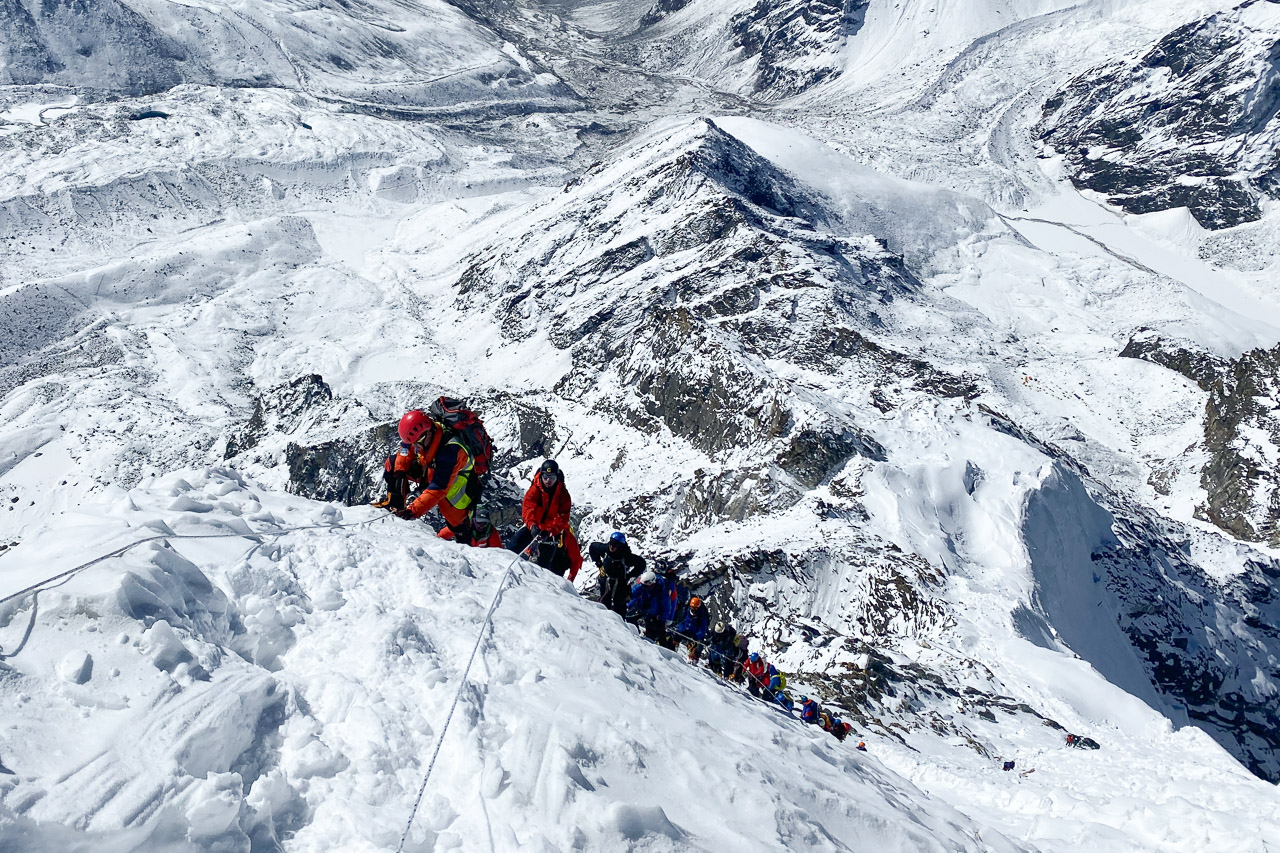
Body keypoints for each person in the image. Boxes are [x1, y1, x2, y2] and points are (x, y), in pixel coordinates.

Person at [386, 409, 478, 539]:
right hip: (431, 474)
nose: (416, 447)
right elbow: (406, 450)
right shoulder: (425, 433)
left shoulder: (451, 451)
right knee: (393, 463)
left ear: (427, 434)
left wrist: (412, 511)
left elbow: (438, 488)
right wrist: (400, 471)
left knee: (459, 527)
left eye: (417, 443)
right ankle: (395, 505)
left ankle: (470, 547)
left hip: (455, 492)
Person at [508, 460, 583, 580]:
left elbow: (562, 517)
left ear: (557, 477)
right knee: (513, 547)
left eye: (552, 477)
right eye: (546, 477)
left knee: (544, 567)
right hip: (533, 527)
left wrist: (549, 531)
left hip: (550, 533)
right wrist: (532, 525)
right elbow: (528, 508)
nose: (548, 481)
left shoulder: (563, 495)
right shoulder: (535, 490)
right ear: (541, 476)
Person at [589, 532, 646, 616]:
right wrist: (599, 564)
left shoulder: (626, 556)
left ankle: (618, 625)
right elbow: (592, 547)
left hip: (620, 584)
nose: (612, 547)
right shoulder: (605, 549)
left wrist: (630, 575)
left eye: (615, 545)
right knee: (604, 603)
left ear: (620, 546)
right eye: (611, 544)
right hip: (606, 581)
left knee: (619, 608)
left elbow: (642, 564)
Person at [626, 571, 666, 643]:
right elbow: (633, 593)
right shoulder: (643, 586)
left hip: (653, 614)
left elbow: (666, 606)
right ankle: (635, 634)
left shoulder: (661, 591)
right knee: (629, 617)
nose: (643, 586)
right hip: (642, 608)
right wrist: (627, 605)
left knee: (651, 633)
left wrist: (663, 620)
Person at [672, 596, 710, 662]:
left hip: (694, 633)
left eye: (694, 608)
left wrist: (696, 636)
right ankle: (673, 649)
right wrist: (681, 629)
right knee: (675, 636)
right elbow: (682, 620)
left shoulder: (702, 615)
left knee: (696, 646)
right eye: (692, 607)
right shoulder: (687, 609)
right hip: (685, 629)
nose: (692, 609)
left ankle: (693, 659)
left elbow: (703, 629)